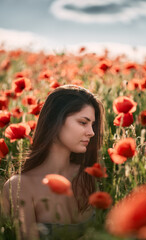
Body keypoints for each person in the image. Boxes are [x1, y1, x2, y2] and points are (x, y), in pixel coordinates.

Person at [2, 84, 104, 240]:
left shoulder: (88, 175)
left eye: (93, 125)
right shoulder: (19, 187)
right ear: (54, 121)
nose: (91, 132)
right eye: (83, 122)